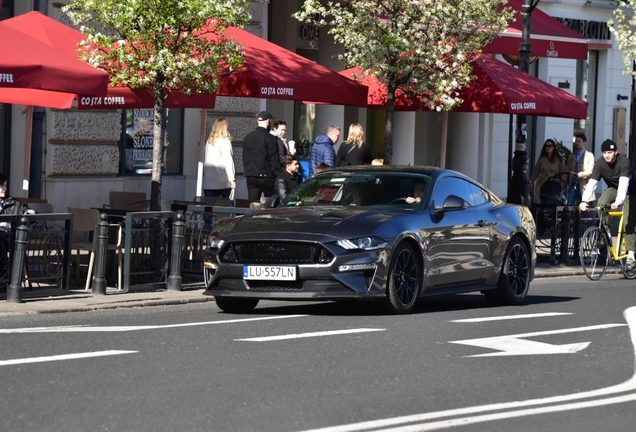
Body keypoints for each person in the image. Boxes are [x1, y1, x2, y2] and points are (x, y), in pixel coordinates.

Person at [579, 139, 636, 267]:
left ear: (616, 152)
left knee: (628, 221)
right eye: (605, 152)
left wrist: (618, 201)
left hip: (630, 191)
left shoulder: (624, 162)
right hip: (613, 188)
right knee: (601, 204)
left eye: (610, 152)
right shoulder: (600, 163)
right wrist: (584, 200)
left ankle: (631, 256)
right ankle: (606, 234)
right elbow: (592, 183)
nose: (607, 155)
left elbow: (623, 184)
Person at [242, 111, 282, 202]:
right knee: (271, 205)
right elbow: (274, 159)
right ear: (268, 121)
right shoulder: (270, 138)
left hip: (251, 176)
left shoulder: (248, 137)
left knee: (253, 206)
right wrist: (279, 175)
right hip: (267, 177)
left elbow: (245, 157)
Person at [203, 118, 236, 198]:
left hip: (209, 181)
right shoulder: (225, 141)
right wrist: (232, 179)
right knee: (228, 207)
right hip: (222, 180)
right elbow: (228, 161)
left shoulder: (209, 141)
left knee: (210, 208)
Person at [529, 139, 567, 204]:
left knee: (552, 203)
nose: (548, 148)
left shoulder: (559, 159)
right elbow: (536, 172)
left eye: (550, 146)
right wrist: (531, 182)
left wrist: (562, 186)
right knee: (539, 203)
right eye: (546, 146)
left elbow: (563, 173)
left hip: (554, 184)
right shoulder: (541, 159)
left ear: (554, 147)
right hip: (542, 183)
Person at [566, 133, 595, 205]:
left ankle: (591, 216)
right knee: (568, 205)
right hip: (573, 184)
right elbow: (567, 170)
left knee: (587, 207)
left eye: (579, 141)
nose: (576, 143)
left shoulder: (590, 156)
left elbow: (590, 171)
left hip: (585, 185)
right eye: (576, 141)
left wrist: (578, 174)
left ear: (584, 142)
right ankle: (569, 216)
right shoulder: (572, 156)